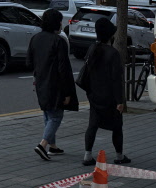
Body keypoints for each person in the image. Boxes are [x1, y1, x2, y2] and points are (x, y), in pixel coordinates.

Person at [77, 17, 131, 166]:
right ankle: (119, 156)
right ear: (110, 35)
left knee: (92, 125)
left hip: (94, 95)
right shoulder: (113, 53)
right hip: (110, 98)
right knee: (117, 126)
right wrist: (120, 101)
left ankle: (87, 155)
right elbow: (116, 79)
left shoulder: (92, 49)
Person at [27, 8, 77, 161]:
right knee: (56, 116)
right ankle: (43, 145)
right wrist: (68, 92)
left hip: (41, 82)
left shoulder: (35, 38)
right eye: (60, 21)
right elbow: (64, 68)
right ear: (56, 23)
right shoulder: (58, 41)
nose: (61, 24)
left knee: (47, 113)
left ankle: (53, 146)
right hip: (56, 84)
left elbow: (29, 62)